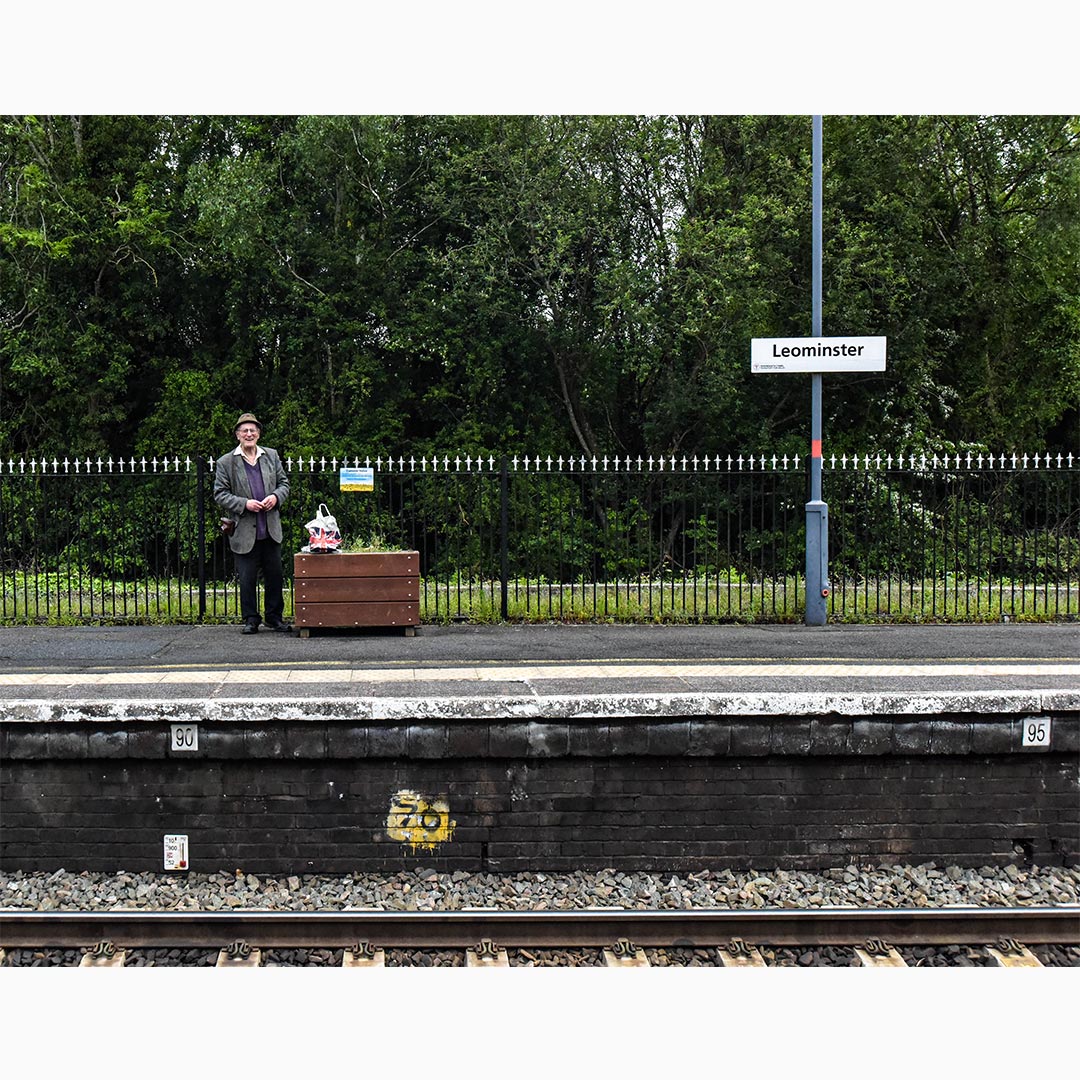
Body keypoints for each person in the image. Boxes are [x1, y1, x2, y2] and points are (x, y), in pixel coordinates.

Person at [214, 412, 291, 634]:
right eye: (245, 430)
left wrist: (276, 497)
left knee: (275, 576)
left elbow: (284, 484)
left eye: (253, 430)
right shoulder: (226, 462)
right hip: (244, 530)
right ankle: (251, 619)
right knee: (247, 579)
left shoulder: (271, 456)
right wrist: (244, 504)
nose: (249, 434)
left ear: (258, 433)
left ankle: (274, 618)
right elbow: (220, 494)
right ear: (238, 435)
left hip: (270, 529)